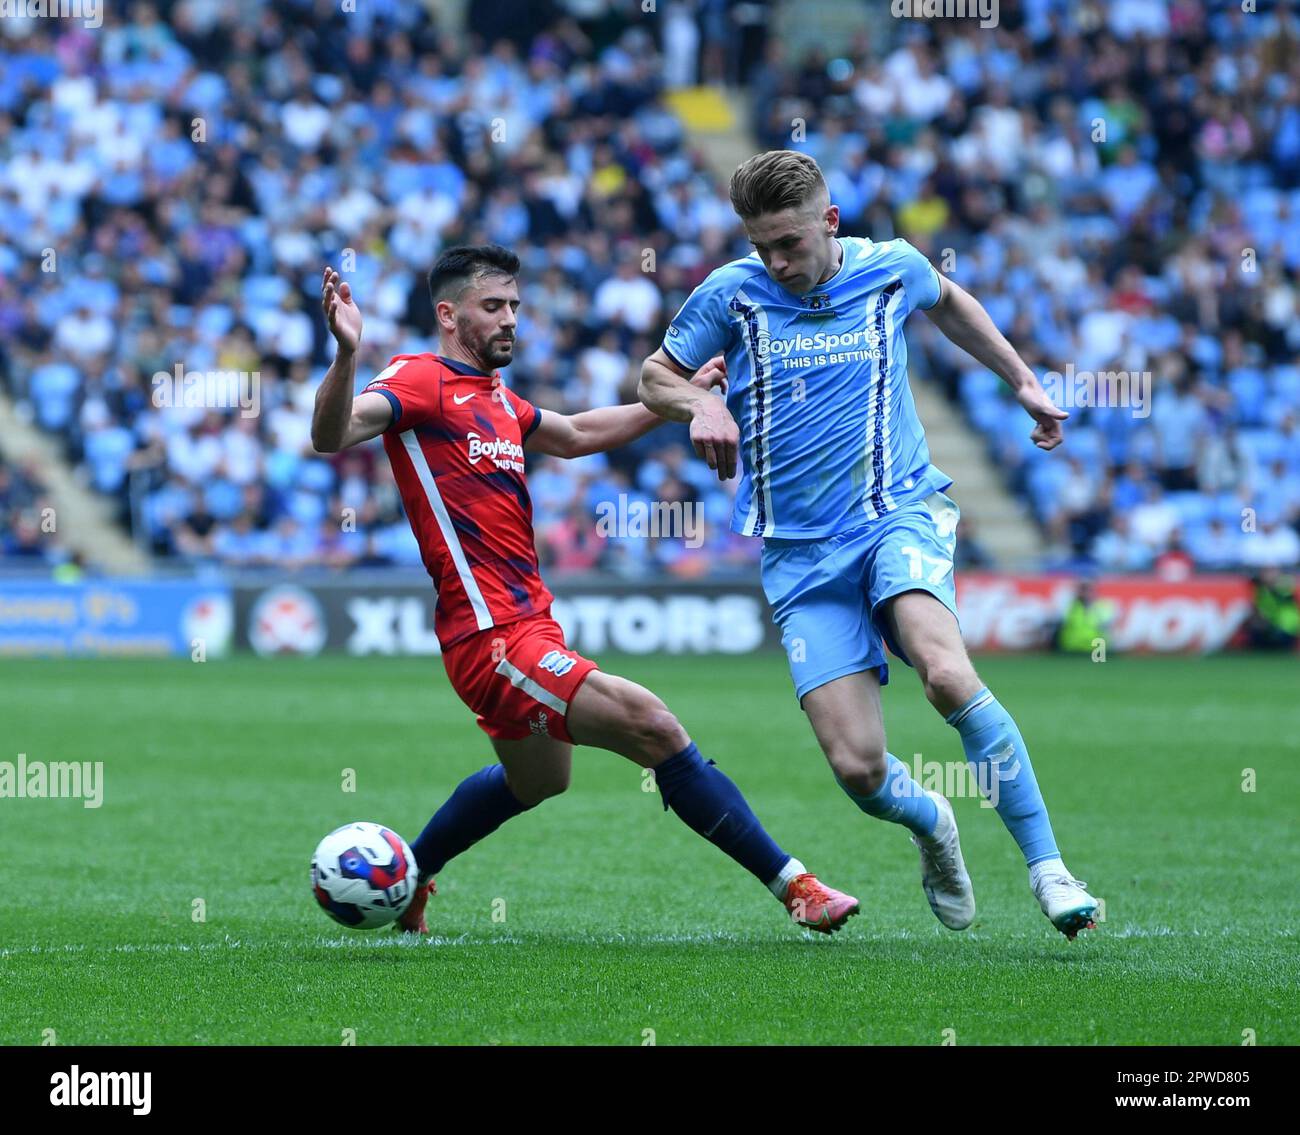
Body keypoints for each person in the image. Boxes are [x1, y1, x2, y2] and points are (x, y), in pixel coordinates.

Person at [311, 246, 858, 936]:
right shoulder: (418, 379)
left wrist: (676, 402)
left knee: (539, 780)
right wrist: (345, 354)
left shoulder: (492, 395)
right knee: (655, 725)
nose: (511, 319)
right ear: (448, 315)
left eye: (514, 305)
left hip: (528, 626)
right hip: (492, 637)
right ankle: (797, 886)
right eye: (493, 307)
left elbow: (572, 435)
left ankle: (410, 876)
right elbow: (330, 436)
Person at [638, 150, 1098, 939]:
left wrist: (1019, 377)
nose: (777, 262)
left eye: (790, 242)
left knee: (947, 674)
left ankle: (1049, 868)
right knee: (858, 769)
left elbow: (951, 302)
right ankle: (932, 823)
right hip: (797, 550)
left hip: (897, 513)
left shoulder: (891, 269)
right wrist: (697, 405)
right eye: (762, 246)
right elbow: (654, 375)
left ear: (830, 222)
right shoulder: (732, 291)